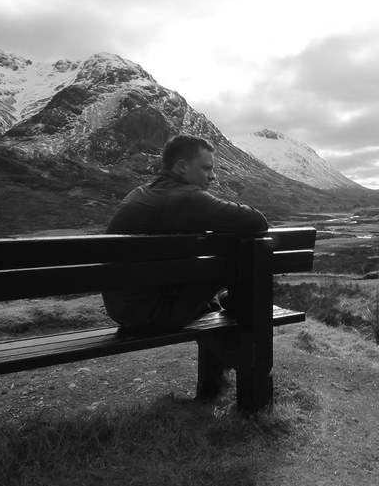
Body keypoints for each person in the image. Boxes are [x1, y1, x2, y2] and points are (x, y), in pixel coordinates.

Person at [103, 134, 269, 336]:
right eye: (206, 168)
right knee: (242, 246)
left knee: (212, 295)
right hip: (153, 315)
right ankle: (237, 306)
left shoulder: (139, 192)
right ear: (182, 167)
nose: (213, 176)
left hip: (123, 310)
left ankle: (228, 308)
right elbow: (257, 221)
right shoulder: (188, 199)